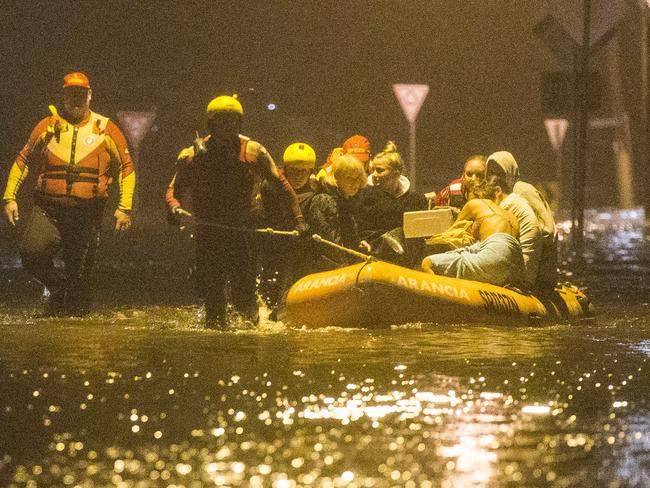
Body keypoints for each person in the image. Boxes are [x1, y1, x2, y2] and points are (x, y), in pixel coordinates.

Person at [166, 95, 306, 328]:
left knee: (244, 294)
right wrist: (174, 208)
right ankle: (216, 339)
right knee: (213, 297)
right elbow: (173, 190)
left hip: (243, 232)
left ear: (239, 123)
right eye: (221, 122)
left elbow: (282, 185)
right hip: (209, 233)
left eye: (232, 122)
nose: (227, 128)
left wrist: (299, 219)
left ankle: (247, 337)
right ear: (211, 124)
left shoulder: (253, 151)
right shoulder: (191, 156)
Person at [2, 72, 135, 316]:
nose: (76, 99)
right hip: (48, 210)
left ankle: (74, 333)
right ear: (63, 96)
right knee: (31, 254)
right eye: (71, 94)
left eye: (81, 94)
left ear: (90, 95)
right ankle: (57, 288)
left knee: (80, 281)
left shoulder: (106, 129)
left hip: (86, 216)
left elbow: (127, 167)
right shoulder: (47, 126)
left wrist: (124, 207)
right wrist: (9, 197)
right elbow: (23, 159)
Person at [422, 179, 525, 288]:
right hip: (515, 267)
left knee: (428, 263)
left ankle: (437, 302)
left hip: (493, 257)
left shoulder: (474, 204)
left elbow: (451, 234)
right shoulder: (511, 216)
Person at [259, 142, 319, 320]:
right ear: (286, 169)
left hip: (303, 248)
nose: (300, 176)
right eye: (294, 170)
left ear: (311, 172)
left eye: (304, 171)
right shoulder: (270, 186)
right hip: (276, 244)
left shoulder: (318, 190)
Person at [485, 151, 557, 292]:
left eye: (499, 173)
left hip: (540, 272)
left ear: (509, 172)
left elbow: (548, 230)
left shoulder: (522, 190)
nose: (494, 178)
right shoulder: (501, 194)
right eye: (491, 173)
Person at [307, 154, 367, 264]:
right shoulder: (324, 200)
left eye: (357, 178)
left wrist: (359, 244)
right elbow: (330, 245)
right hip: (327, 271)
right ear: (337, 178)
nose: (354, 183)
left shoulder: (345, 201)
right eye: (348, 178)